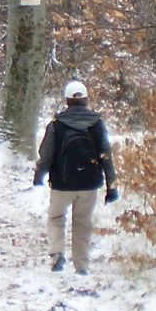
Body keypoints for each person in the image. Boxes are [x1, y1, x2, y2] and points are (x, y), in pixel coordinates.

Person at [33, 79, 117, 275]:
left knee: (56, 217)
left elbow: (46, 155)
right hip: (89, 184)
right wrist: (111, 185)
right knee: (82, 222)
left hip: (62, 184)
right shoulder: (97, 124)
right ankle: (81, 265)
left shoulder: (57, 124)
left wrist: (39, 176)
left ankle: (57, 253)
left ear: (67, 101)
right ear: (86, 99)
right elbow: (106, 155)